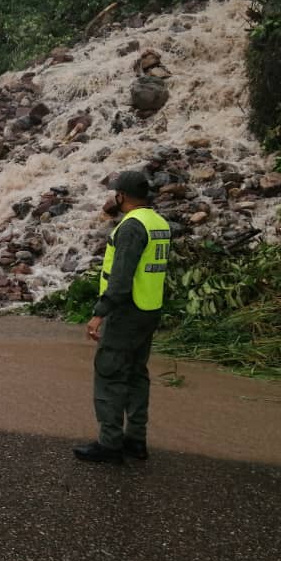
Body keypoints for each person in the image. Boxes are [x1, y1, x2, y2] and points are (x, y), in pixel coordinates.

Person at [73, 170, 170, 464]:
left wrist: (100, 312)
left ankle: (110, 443)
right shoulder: (159, 222)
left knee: (110, 373)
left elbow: (121, 276)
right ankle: (135, 440)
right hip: (149, 309)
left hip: (126, 311)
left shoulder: (131, 227)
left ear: (122, 196)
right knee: (137, 375)